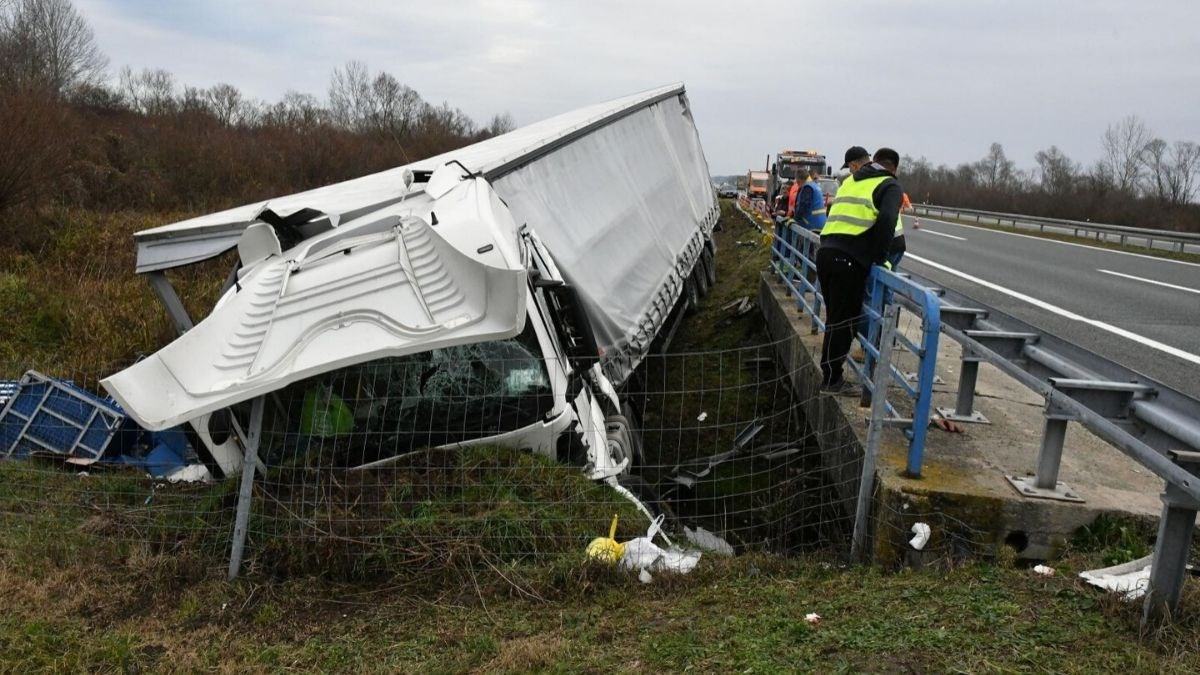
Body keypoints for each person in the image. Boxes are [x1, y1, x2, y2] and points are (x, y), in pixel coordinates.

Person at [817, 146, 903, 394]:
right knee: (844, 321)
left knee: (835, 318)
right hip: (849, 258)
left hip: (825, 252)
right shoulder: (890, 185)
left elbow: (833, 212)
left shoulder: (850, 181)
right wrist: (878, 257)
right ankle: (832, 380)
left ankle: (830, 376)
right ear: (894, 168)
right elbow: (887, 220)